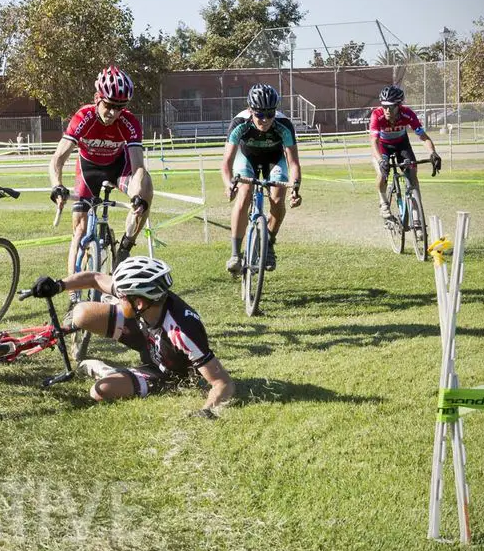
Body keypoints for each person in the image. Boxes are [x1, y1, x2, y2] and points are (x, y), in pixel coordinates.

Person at [30, 256, 234, 418]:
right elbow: (95, 278)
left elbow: (222, 382)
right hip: (146, 336)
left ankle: (110, 372)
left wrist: (207, 410)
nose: (117, 297)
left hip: (166, 372)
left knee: (100, 391)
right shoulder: (146, 300)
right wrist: (58, 285)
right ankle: (116, 371)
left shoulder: (182, 330)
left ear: (139, 303)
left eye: (122, 296)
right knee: (82, 313)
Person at [47, 66, 154, 305]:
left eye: (120, 107)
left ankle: (127, 244)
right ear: (98, 98)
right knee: (79, 231)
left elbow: (137, 167)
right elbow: (58, 158)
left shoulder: (129, 123)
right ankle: (73, 297)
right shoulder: (83, 117)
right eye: (109, 105)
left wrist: (138, 195)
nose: (114, 113)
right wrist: (57, 185)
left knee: (146, 183)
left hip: (119, 169)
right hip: (88, 171)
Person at [220, 84, 302, 275]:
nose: (265, 120)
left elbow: (294, 163)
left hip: (274, 160)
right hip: (246, 158)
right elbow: (226, 162)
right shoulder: (240, 122)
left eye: (269, 114)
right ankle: (235, 254)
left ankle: (269, 243)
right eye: (259, 115)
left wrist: (295, 188)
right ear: (250, 110)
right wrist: (229, 184)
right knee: (244, 194)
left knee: (277, 200)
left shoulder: (284, 124)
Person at [369, 85, 442, 220]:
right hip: (383, 146)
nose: (387, 110)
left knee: (413, 175)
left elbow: (423, 136)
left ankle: (416, 217)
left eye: (391, 106)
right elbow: (374, 142)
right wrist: (380, 161)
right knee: (382, 173)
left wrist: (433, 153)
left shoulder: (407, 114)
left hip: (402, 145)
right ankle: (383, 202)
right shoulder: (377, 115)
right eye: (384, 106)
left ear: (399, 106)